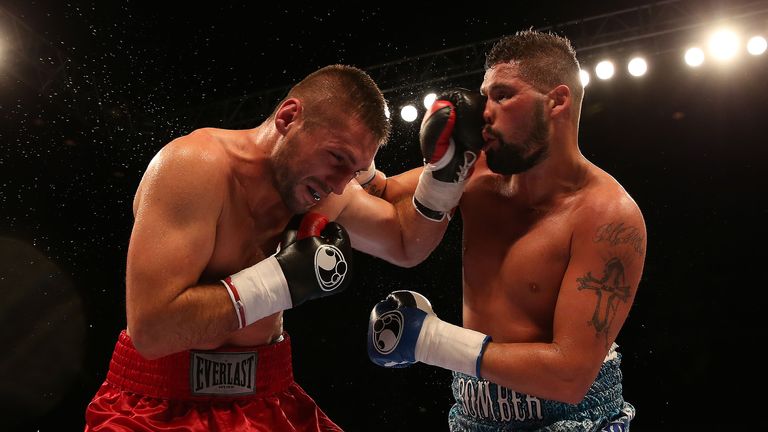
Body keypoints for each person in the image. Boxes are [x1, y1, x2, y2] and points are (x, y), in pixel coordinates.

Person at [83, 64, 447, 431]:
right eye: (337, 157)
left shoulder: (322, 190)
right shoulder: (195, 166)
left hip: (268, 396)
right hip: (155, 408)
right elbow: (152, 332)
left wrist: (446, 176)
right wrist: (280, 281)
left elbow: (405, 243)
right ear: (289, 117)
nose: (339, 185)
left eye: (353, 171)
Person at [324, 30, 646, 431]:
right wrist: (354, 150)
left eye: (503, 95)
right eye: (484, 94)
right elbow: (383, 195)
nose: (484, 111)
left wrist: (431, 341)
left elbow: (570, 376)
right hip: (472, 411)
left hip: (573, 419)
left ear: (558, 101)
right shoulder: (475, 170)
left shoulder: (608, 218)